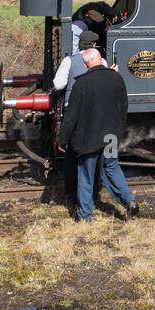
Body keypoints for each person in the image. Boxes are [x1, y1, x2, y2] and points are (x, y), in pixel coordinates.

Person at [58, 45, 139, 222]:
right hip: (110, 137)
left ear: (86, 65)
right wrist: (119, 130)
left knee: (86, 175)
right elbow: (123, 107)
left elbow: (71, 116)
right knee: (111, 168)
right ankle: (129, 201)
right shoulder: (117, 78)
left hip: (89, 140)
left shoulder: (81, 84)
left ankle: (85, 216)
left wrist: (62, 138)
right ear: (100, 59)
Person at [53, 29, 99, 209]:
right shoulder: (99, 60)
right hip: (93, 114)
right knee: (91, 156)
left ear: (80, 44)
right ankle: (91, 197)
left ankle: (71, 196)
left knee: (72, 157)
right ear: (94, 45)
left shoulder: (69, 60)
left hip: (73, 112)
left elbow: (59, 84)